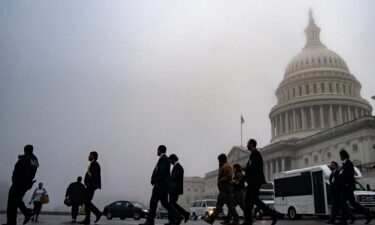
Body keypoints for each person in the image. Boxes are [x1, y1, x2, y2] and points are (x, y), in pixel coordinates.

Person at [140, 145, 181, 225]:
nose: (157, 152)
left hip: (160, 185)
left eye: (157, 150)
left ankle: (150, 221)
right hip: (164, 186)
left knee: (153, 202)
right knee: (165, 203)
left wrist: (154, 180)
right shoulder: (165, 159)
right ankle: (178, 216)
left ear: (159, 150)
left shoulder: (163, 159)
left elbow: (161, 172)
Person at [242, 139, 277, 225]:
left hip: (255, 182)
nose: (246, 145)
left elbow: (254, 168)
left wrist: (244, 168)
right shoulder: (253, 155)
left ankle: (273, 214)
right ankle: (248, 221)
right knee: (247, 202)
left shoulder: (256, 154)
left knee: (255, 201)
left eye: (248, 144)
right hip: (252, 182)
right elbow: (252, 167)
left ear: (251, 144)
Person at [3, 145, 39, 225]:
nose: (24, 150)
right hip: (19, 182)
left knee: (14, 200)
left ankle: (24, 214)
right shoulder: (26, 158)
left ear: (29, 150)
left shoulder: (32, 159)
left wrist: (22, 180)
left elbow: (30, 172)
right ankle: (22, 216)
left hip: (21, 183)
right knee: (14, 201)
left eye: (26, 149)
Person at [338, 149, 372, 225]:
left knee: (342, 202)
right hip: (346, 187)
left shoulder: (348, 163)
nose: (340, 157)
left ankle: (343, 221)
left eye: (340, 155)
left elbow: (350, 175)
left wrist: (346, 183)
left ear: (342, 156)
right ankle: (368, 215)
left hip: (348, 187)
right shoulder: (344, 164)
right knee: (353, 203)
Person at [203, 154, 239, 225]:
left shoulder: (226, 166)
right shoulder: (224, 166)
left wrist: (220, 181)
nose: (218, 162)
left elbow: (228, 176)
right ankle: (236, 220)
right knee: (231, 206)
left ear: (223, 159)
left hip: (225, 189)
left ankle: (211, 219)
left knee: (219, 205)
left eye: (219, 160)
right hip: (226, 189)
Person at [79, 151, 102, 225]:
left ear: (93, 156)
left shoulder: (95, 164)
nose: (88, 157)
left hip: (91, 185)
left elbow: (94, 176)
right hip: (90, 185)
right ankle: (87, 220)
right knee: (87, 201)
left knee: (86, 200)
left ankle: (98, 213)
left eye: (89, 155)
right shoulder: (92, 164)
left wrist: (89, 183)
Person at [168, 154, 190, 225]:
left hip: (175, 189)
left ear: (174, 159)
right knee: (172, 204)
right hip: (174, 189)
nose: (170, 163)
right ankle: (174, 220)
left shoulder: (178, 167)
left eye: (171, 161)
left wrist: (167, 178)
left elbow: (173, 178)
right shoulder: (177, 167)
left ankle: (181, 216)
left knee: (171, 204)